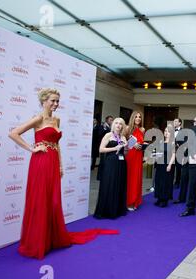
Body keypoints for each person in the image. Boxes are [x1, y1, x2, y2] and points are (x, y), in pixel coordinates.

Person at [8, 88, 117, 259]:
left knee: (53, 201)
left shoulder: (56, 119)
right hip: (41, 162)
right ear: (43, 101)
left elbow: (56, 144)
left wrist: (60, 165)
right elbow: (13, 133)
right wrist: (32, 148)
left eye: (57, 101)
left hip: (53, 163)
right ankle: (37, 242)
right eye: (52, 100)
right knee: (40, 200)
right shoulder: (38, 118)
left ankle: (50, 238)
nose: (55, 104)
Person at [93, 118, 128, 219]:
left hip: (121, 164)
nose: (118, 125)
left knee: (119, 185)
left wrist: (126, 147)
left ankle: (117, 209)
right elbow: (101, 149)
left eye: (120, 124)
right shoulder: (108, 135)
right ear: (113, 125)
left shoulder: (123, 137)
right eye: (116, 123)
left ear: (122, 126)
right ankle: (107, 211)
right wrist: (115, 148)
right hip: (110, 163)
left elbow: (125, 153)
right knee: (110, 184)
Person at [173, 116, 196, 204]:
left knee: (194, 182)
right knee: (183, 179)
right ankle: (181, 198)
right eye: (195, 121)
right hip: (186, 159)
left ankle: (192, 201)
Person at [125, 111, 145, 211]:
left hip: (139, 156)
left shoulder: (142, 129)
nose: (138, 118)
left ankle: (135, 200)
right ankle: (129, 202)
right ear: (133, 118)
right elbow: (124, 142)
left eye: (139, 117)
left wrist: (142, 145)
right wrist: (133, 144)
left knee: (137, 178)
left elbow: (141, 142)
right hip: (130, 156)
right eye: (136, 117)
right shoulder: (128, 128)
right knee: (130, 178)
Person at [154, 125, 176, 207]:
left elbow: (174, 155)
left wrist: (170, 165)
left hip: (168, 164)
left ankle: (165, 199)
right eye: (165, 131)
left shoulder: (173, 142)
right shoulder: (161, 142)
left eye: (168, 132)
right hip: (160, 164)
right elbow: (158, 153)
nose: (166, 133)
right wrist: (155, 156)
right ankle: (159, 198)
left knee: (166, 182)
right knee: (159, 181)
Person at [173, 118, 183, 188]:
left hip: (179, 152)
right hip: (171, 152)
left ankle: (177, 182)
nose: (174, 122)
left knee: (178, 168)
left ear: (179, 123)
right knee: (171, 166)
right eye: (174, 121)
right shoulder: (171, 131)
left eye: (176, 121)